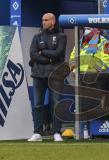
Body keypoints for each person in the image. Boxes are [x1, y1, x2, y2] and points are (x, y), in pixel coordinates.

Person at [28, 13, 67, 142]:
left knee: (56, 104)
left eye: (46, 20)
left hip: (55, 75)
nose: (43, 22)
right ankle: (37, 133)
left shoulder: (62, 36)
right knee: (38, 104)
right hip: (38, 74)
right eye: (42, 20)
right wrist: (49, 59)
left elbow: (59, 53)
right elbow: (33, 54)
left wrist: (43, 52)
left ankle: (56, 132)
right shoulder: (37, 36)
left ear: (53, 22)